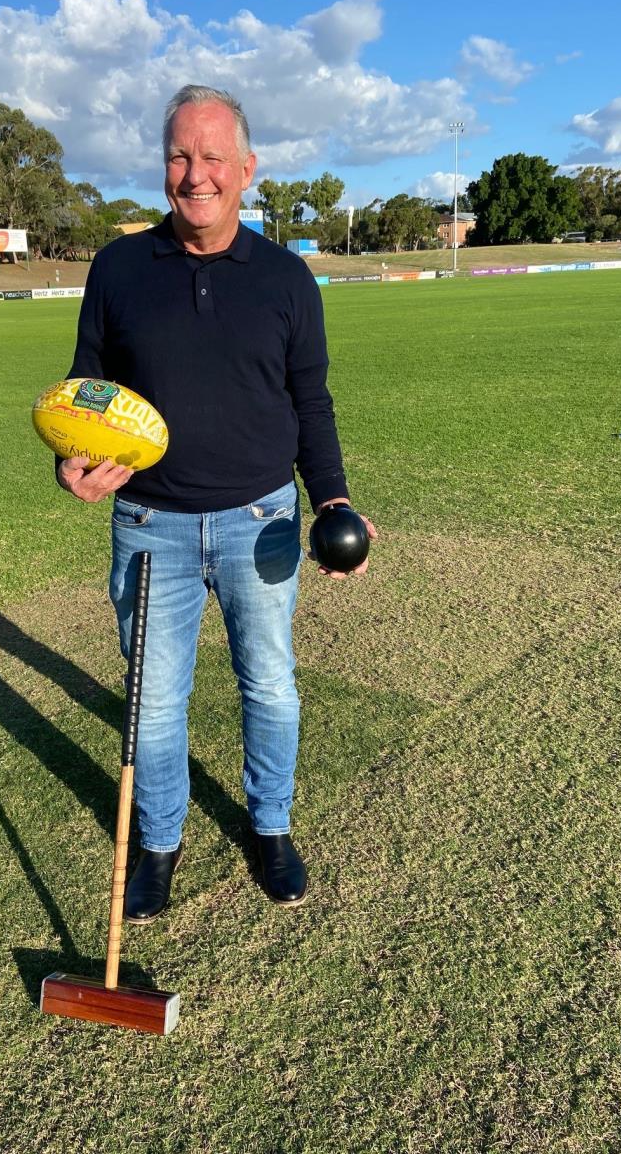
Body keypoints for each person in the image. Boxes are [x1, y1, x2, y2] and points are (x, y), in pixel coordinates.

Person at [57, 84, 376, 922]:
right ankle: (158, 841)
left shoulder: (284, 276)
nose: (194, 175)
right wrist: (73, 463)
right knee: (153, 701)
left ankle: (270, 827)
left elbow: (311, 400)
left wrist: (333, 497)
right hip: (149, 525)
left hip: (261, 523)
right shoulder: (118, 267)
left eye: (211, 158)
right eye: (178, 156)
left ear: (245, 168)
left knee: (268, 686)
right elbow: (86, 393)